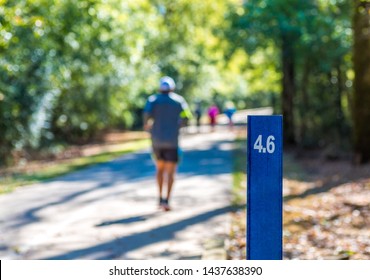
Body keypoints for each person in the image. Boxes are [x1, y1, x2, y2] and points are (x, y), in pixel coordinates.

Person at [143, 76, 191, 211]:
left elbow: (146, 116)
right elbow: (187, 116)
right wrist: (178, 125)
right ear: (172, 88)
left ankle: (159, 198)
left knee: (159, 169)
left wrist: (149, 127)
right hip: (172, 142)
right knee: (170, 172)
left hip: (157, 141)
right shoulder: (179, 100)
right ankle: (167, 200)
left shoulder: (153, 100)